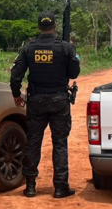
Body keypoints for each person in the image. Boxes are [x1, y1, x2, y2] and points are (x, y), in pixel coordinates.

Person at [9, 11, 81, 198]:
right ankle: (60, 187)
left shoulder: (28, 48)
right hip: (59, 101)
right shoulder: (65, 47)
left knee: (33, 142)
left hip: (36, 101)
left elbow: (16, 75)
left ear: (38, 27)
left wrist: (16, 95)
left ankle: (30, 186)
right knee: (60, 144)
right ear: (55, 26)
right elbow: (74, 74)